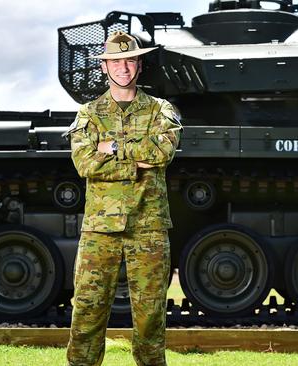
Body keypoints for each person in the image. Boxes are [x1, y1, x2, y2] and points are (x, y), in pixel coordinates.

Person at [65, 30, 182, 366]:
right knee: (87, 310)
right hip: (100, 228)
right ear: (105, 67)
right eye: (115, 61)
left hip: (148, 226)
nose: (123, 68)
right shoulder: (89, 113)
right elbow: (84, 162)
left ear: (139, 64)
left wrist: (111, 148)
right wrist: (134, 157)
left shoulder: (161, 110)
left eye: (129, 60)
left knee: (149, 315)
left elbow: (161, 153)